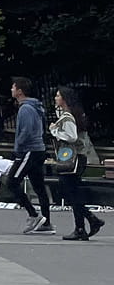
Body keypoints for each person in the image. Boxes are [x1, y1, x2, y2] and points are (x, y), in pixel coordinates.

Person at [51, 87, 102, 241]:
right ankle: (84, 224)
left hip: (72, 159)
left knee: (69, 192)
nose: (55, 98)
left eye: (58, 95)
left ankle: (87, 222)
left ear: (64, 99)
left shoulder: (67, 116)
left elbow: (71, 137)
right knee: (73, 192)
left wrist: (54, 131)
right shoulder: (73, 114)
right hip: (79, 158)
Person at [9, 76, 53, 235]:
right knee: (39, 186)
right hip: (38, 149)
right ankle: (46, 223)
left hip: (29, 150)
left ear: (20, 91)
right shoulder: (35, 107)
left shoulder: (25, 108)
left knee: (12, 181)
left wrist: (18, 147)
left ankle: (33, 214)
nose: (11, 90)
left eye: (13, 87)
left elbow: (26, 131)